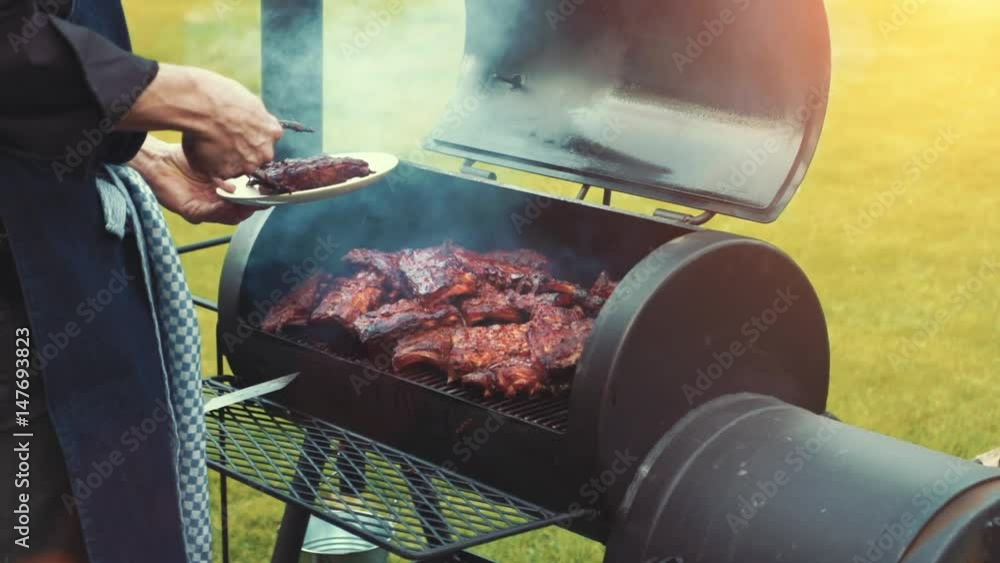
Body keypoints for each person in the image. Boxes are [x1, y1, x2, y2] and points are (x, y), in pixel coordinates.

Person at [0, 0, 282, 561]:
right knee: (34, 517)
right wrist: (197, 99)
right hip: (20, 282)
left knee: (104, 505)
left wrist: (137, 151)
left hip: (58, 253)